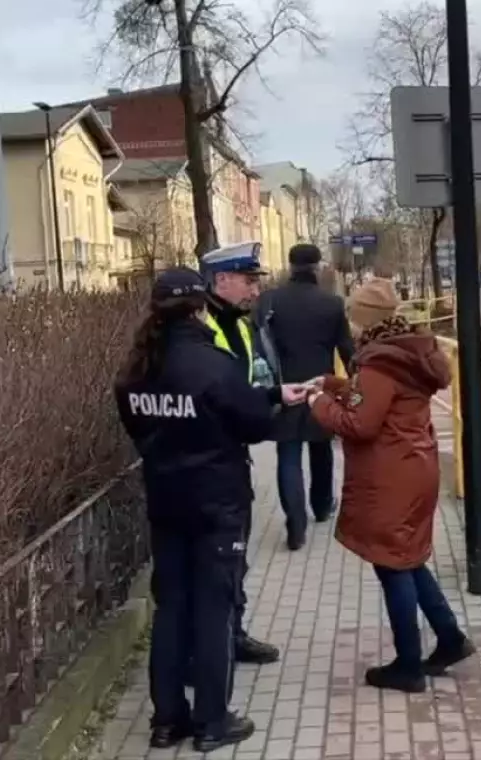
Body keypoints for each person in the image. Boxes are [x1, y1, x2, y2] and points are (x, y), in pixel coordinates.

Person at [114, 266, 311, 752]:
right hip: (217, 503)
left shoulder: (137, 369)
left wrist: (269, 394)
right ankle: (212, 721)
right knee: (214, 610)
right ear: (200, 307)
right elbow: (250, 424)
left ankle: (167, 720)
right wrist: (272, 405)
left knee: (171, 607)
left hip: (166, 500)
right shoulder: (213, 362)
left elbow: (144, 426)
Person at [306, 278, 475, 694]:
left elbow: (361, 424)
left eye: (353, 316)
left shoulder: (378, 362)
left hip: (391, 477)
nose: (350, 323)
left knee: (392, 564)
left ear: (365, 319)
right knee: (409, 559)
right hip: (416, 468)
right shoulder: (404, 353)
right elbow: (380, 400)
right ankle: (450, 639)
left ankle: (407, 666)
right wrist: (335, 386)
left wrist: (318, 404)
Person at [198, 241, 283, 666]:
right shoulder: (203, 325)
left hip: (234, 456)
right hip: (209, 460)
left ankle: (234, 631)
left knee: (236, 556)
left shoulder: (241, 324)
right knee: (218, 559)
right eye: (248, 281)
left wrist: (274, 395)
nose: (254, 290)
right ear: (222, 280)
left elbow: (244, 385)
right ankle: (217, 644)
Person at [254, 242, 355, 550]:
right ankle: (322, 507)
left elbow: (258, 345)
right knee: (321, 450)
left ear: (290, 265)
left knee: (288, 457)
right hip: (319, 389)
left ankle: (296, 527)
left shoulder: (269, 301)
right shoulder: (332, 304)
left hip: (283, 390)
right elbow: (347, 351)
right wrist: (356, 387)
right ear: (317, 267)